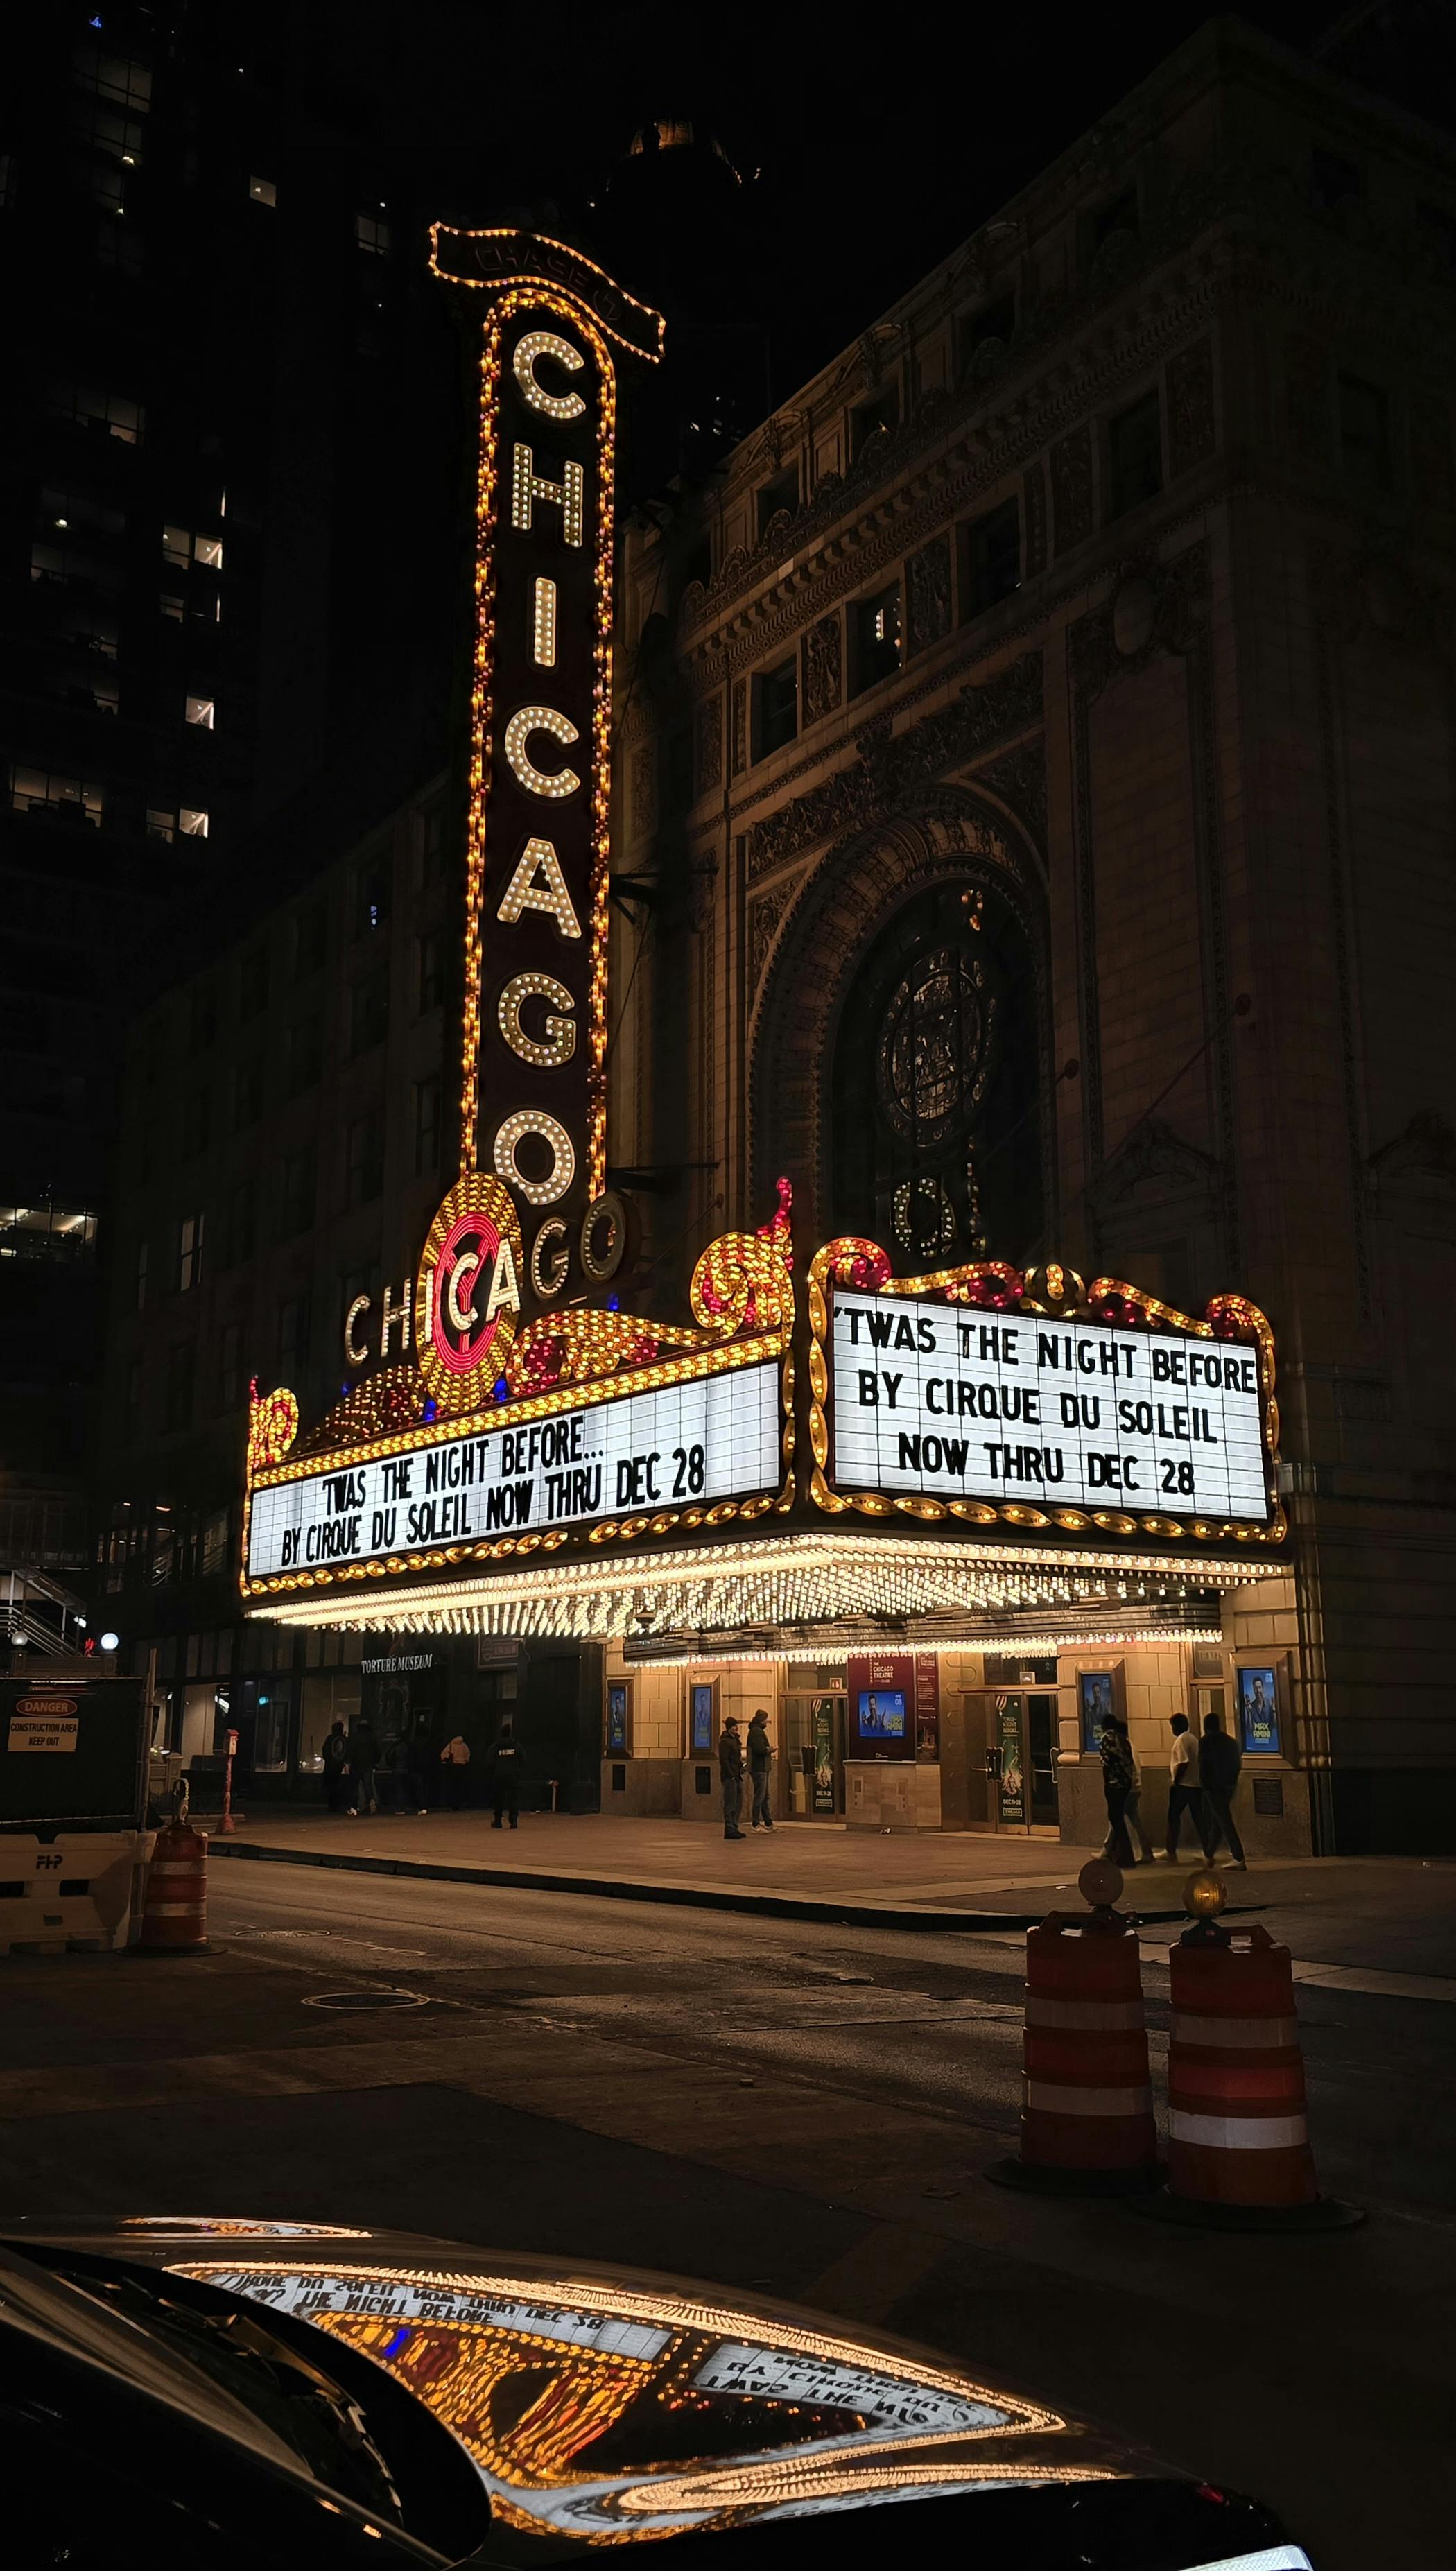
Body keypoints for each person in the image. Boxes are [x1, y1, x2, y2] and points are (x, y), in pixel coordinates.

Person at [1199, 1711, 1247, 1867]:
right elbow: (1237, 1764)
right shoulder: (1231, 1742)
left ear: (1206, 1727)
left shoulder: (1206, 1742)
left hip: (1213, 1787)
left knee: (1224, 1820)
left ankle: (1238, 1857)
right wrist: (1232, 1782)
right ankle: (1209, 1854)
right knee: (1218, 1819)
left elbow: (1204, 1765)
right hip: (1228, 1786)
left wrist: (1205, 1785)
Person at [1163, 1713, 1210, 1862]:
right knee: (1199, 1818)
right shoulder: (1194, 1739)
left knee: (1173, 1817)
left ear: (1176, 1726)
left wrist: (1176, 1780)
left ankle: (1171, 1851)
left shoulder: (1182, 1740)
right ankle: (1208, 1850)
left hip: (1184, 1786)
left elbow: (1184, 1762)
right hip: (1196, 1785)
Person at [1097, 1711, 1137, 1867]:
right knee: (1118, 1818)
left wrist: (1106, 1783)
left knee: (1116, 1818)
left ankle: (1126, 1856)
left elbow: (1106, 1763)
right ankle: (1122, 1854)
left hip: (1114, 1784)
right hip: (1126, 1783)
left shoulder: (1107, 1739)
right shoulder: (1124, 1740)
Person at [487, 1718, 523, 1830]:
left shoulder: (495, 1746)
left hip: (499, 1776)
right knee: (513, 1799)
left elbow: (489, 1762)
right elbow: (524, 1759)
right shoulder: (516, 1745)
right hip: (513, 1776)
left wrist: (494, 1771)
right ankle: (514, 1821)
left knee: (499, 1799)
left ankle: (498, 1821)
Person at [746, 1710, 774, 1830]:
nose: (767, 1721)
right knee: (760, 1796)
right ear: (761, 1719)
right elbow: (759, 1749)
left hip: (762, 1767)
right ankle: (756, 1823)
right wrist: (770, 1749)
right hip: (759, 1767)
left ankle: (768, 1823)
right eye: (766, 1719)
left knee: (764, 1796)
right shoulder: (756, 1731)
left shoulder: (757, 1730)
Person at [718, 1716, 745, 1841]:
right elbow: (724, 1760)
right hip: (730, 1777)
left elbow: (737, 1758)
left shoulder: (736, 1740)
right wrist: (731, 1775)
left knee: (738, 1801)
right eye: (734, 1726)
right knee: (730, 1802)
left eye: (737, 1726)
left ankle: (734, 1827)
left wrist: (741, 1767)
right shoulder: (725, 1741)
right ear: (729, 1727)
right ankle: (729, 1828)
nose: (736, 1728)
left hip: (737, 1775)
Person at [351, 1715, 381, 1815]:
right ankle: (371, 1800)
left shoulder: (355, 1736)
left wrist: (348, 1762)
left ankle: (355, 1807)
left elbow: (351, 1750)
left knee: (355, 1786)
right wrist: (376, 1762)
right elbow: (377, 1751)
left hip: (356, 1765)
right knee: (368, 1784)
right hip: (369, 1765)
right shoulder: (372, 1737)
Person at [322, 1719, 351, 1814]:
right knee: (337, 1786)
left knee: (331, 1787)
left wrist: (329, 1760)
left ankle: (332, 1806)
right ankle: (336, 1805)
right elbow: (347, 1752)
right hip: (339, 1767)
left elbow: (325, 1751)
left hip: (330, 1766)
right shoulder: (344, 1739)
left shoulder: (330, 1738)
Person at [440, 1731, 471, 1811]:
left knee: (453, 1786)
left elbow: (444, 1755)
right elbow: (468, 1755)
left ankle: (453, 1803)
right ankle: (461, 1802)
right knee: (461, 1786)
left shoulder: (451, 1745)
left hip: (453, 1767)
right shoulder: (464, 1745)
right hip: (462, 1767)